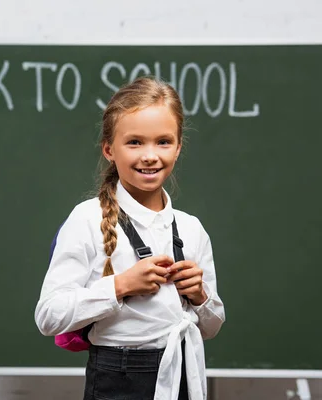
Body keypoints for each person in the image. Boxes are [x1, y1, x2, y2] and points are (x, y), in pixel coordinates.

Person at [34, 77, 225, 400]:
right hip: (115, 377)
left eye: (163, 142)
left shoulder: (191, 228)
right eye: (134, 142)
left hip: (181, 373)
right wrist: (120, 286)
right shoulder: (86, 218)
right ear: (109, 149)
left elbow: (211, 327)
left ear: (178, 147)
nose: (150, 155)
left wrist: (200, 296)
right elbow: (49, 316)